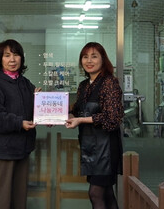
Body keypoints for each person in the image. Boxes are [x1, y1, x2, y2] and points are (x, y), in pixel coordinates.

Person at [65, 42, 124, 209]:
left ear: (103, 60)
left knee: (95, 193)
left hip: (106, 149)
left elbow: (113, 118)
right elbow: (76, 111)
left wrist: (81, 120)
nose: (89, 61)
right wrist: (53, 116)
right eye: (85, 57)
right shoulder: (84, 86)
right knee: (107, 194)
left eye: (94, 56)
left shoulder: (109, 83)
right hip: (90, 147)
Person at [0, 39, 38, 209]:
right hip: (2, 151)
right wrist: (19, 123)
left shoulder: (25, 83)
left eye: (16, 55)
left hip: (22, 150)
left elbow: (33, 111)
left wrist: (44, 113)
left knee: (19, 200)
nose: (12, 59)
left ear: (22, 58)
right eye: (7, 55)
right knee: (3, 201)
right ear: (0, 59)